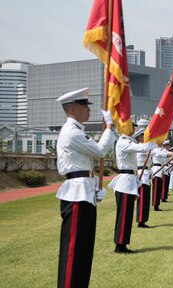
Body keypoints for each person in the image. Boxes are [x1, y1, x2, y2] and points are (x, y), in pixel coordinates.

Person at [55, 87, 116, 288]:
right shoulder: (71, 133)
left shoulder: (77, 131)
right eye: (84, 106)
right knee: (74, 251)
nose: (88, 110)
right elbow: (99, 150)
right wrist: (109, 127)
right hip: (76, 195)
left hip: (83, 192)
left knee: (83, 251)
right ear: (73, 108)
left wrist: (94, 189)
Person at [108, 126, 158, 253]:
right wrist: (153, 142)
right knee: (124, 216)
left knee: (127, 216)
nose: (134, 130)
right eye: (131, 127)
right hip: (125, 182)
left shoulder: (129, 142)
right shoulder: (123, 142)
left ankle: (122, 244)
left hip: (129, 181)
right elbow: (141, 148)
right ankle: (119, 245)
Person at [151, 140, 173, 211]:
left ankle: (157, 204)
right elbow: (162, 154)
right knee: (156, 189)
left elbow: (167, 153)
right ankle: (155, 204)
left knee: (159, 188)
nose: (162, 142)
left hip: (161, 169)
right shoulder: (155, 149)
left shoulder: (162, 150)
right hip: (156, 169)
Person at [134, 128, 154, 228]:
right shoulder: (140, 147)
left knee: (145, 199)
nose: (145, 138)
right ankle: (141, 220)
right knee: (142, 199)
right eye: (144, 136)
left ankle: (143, 220)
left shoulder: (145, 147)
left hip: (146, 173)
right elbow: (150, 151)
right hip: (141, 174)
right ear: (140, 138)